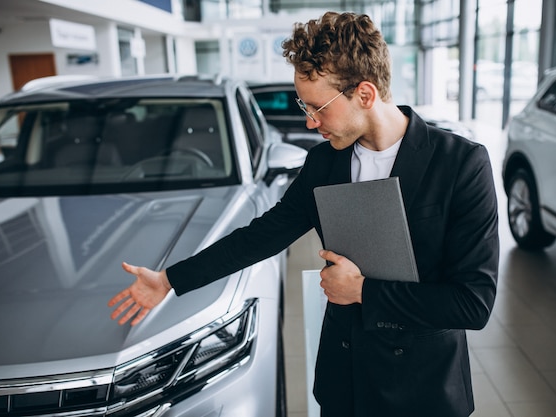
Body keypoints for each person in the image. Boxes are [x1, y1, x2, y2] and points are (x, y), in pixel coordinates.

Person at [109, 11, 499, 417]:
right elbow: (262, 235)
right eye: (304, 105)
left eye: (319, 108)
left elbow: (473, 303)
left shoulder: (460, 164)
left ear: (365, 95)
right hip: (345, 380)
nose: (310, 122)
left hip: (423, 388)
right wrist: (170, 280)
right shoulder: (324, 163)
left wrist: (363, 291)